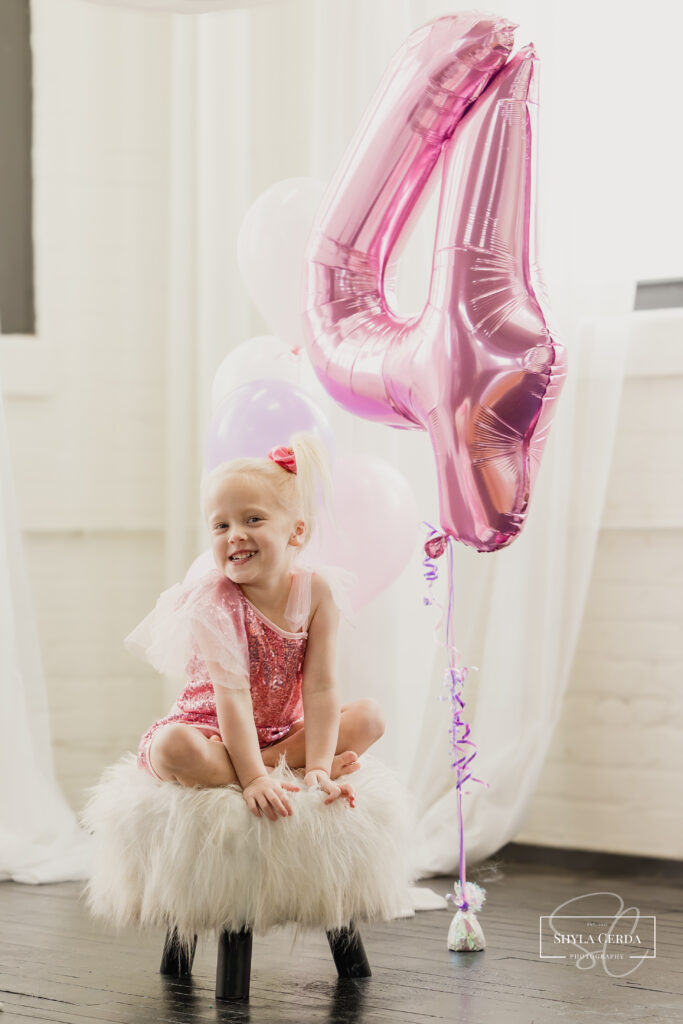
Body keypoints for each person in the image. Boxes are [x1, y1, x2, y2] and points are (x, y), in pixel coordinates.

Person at [124, 432, 385, 823]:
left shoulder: (315, 592)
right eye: (221, 525)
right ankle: (259, 766)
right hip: (211, 728)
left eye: (253, 519)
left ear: (296, 531)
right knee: (172, 748)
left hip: (281, 731)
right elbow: (233, 697)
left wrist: (316, 765)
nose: (235, 535)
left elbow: (321, 686)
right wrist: (254, 779)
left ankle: (276, 764)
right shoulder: (215, 601)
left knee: (369, 718)